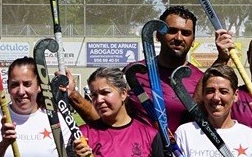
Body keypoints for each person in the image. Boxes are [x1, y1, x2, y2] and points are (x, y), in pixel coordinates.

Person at [73, 6, 204, 125]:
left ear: (193, 40)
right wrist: (72, 94)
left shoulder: (201, 80)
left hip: (183, 151)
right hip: (139, 150)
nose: (179, 38)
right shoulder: (134, 73)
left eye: (186, 33)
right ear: (158, 35)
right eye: (172, 31)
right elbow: (105, 120)